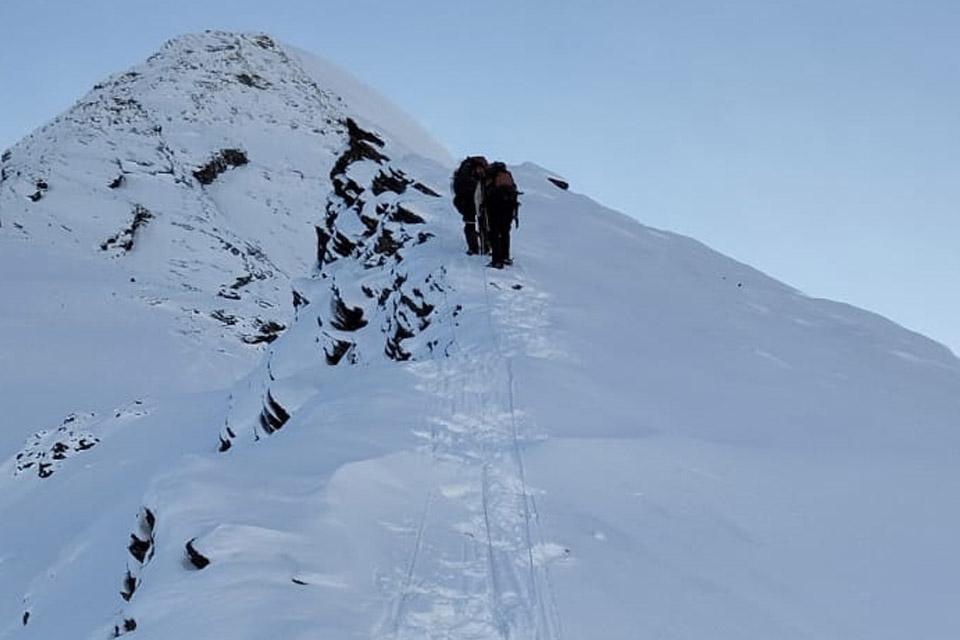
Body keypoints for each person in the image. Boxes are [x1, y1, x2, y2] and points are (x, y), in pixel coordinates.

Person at [482, 162, 519, 269]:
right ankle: (505, 256)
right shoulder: (507, 175)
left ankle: (497, 260)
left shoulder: (491, 176)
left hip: (495, 207)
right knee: (505, 232)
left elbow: (487, 192)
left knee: (494, 233)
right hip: (509, 206)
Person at [451, 156, 488, 254]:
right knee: (477, 224)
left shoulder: (465, 173)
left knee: (471, 224)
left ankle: (475, 247)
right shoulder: (467, 174)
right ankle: (480, 247)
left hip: (467, 203)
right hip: (468, 202)